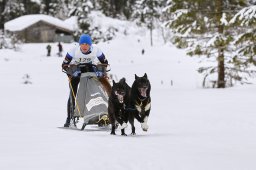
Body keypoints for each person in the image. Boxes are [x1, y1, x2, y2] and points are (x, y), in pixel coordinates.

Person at [61, 34, 108, 127]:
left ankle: (100, 115)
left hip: (89, 69)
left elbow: (105, 63)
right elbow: (64, 65)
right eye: (82, 44)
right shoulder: (73, 50)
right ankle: (70, 118)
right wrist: (69, 71)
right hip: (76, 70)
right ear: (79, 45)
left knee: (95, 91)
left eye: (87, 44)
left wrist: (101, 70)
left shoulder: (96, 49)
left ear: (90, 45)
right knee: (72, 93)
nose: (85, 46)